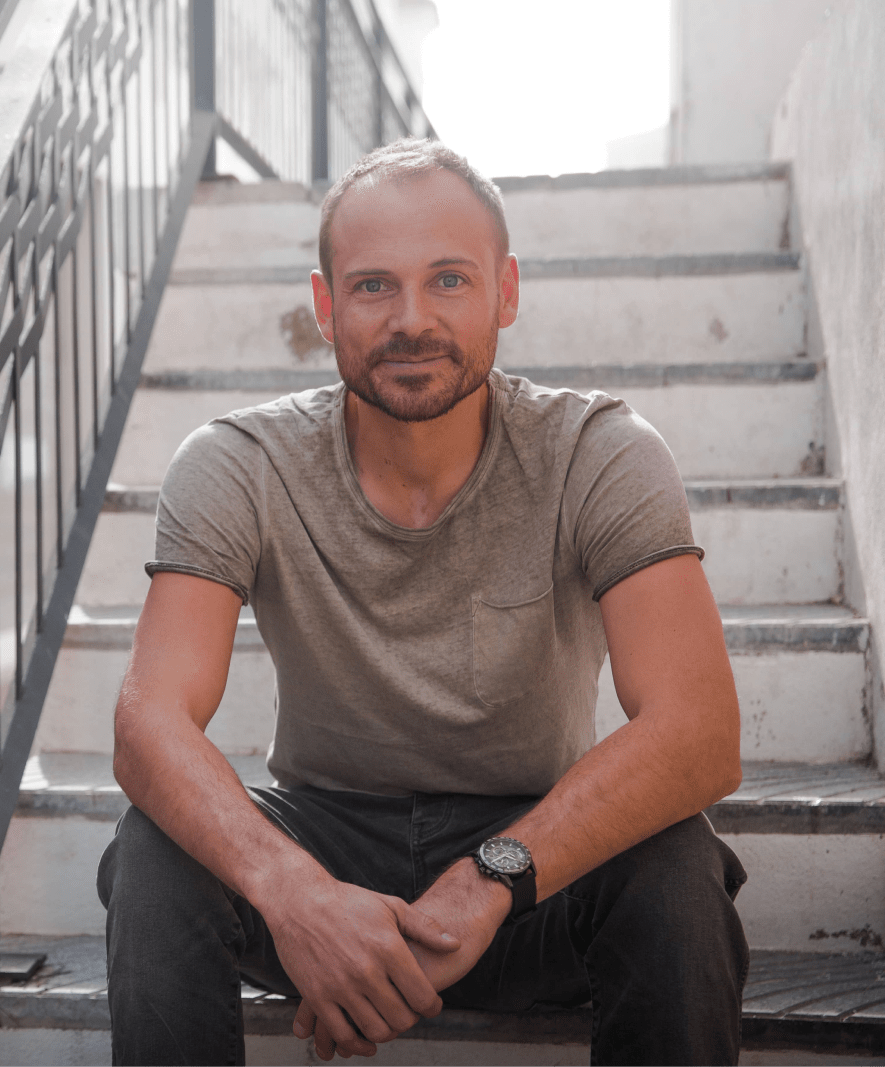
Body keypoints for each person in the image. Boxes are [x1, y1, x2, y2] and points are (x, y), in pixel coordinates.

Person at [97, 138, 749, 1067]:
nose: (412, 319)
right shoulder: (238, 463)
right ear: (325, 308)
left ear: (505, 292)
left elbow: (699, 731)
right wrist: (297, 895)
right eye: (372, 286)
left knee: (677, 869)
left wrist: (491, 877)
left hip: (535, 863)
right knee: (153, 857)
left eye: (449, 280)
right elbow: (147, 722)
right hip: (326, 847)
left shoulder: (600, 451)